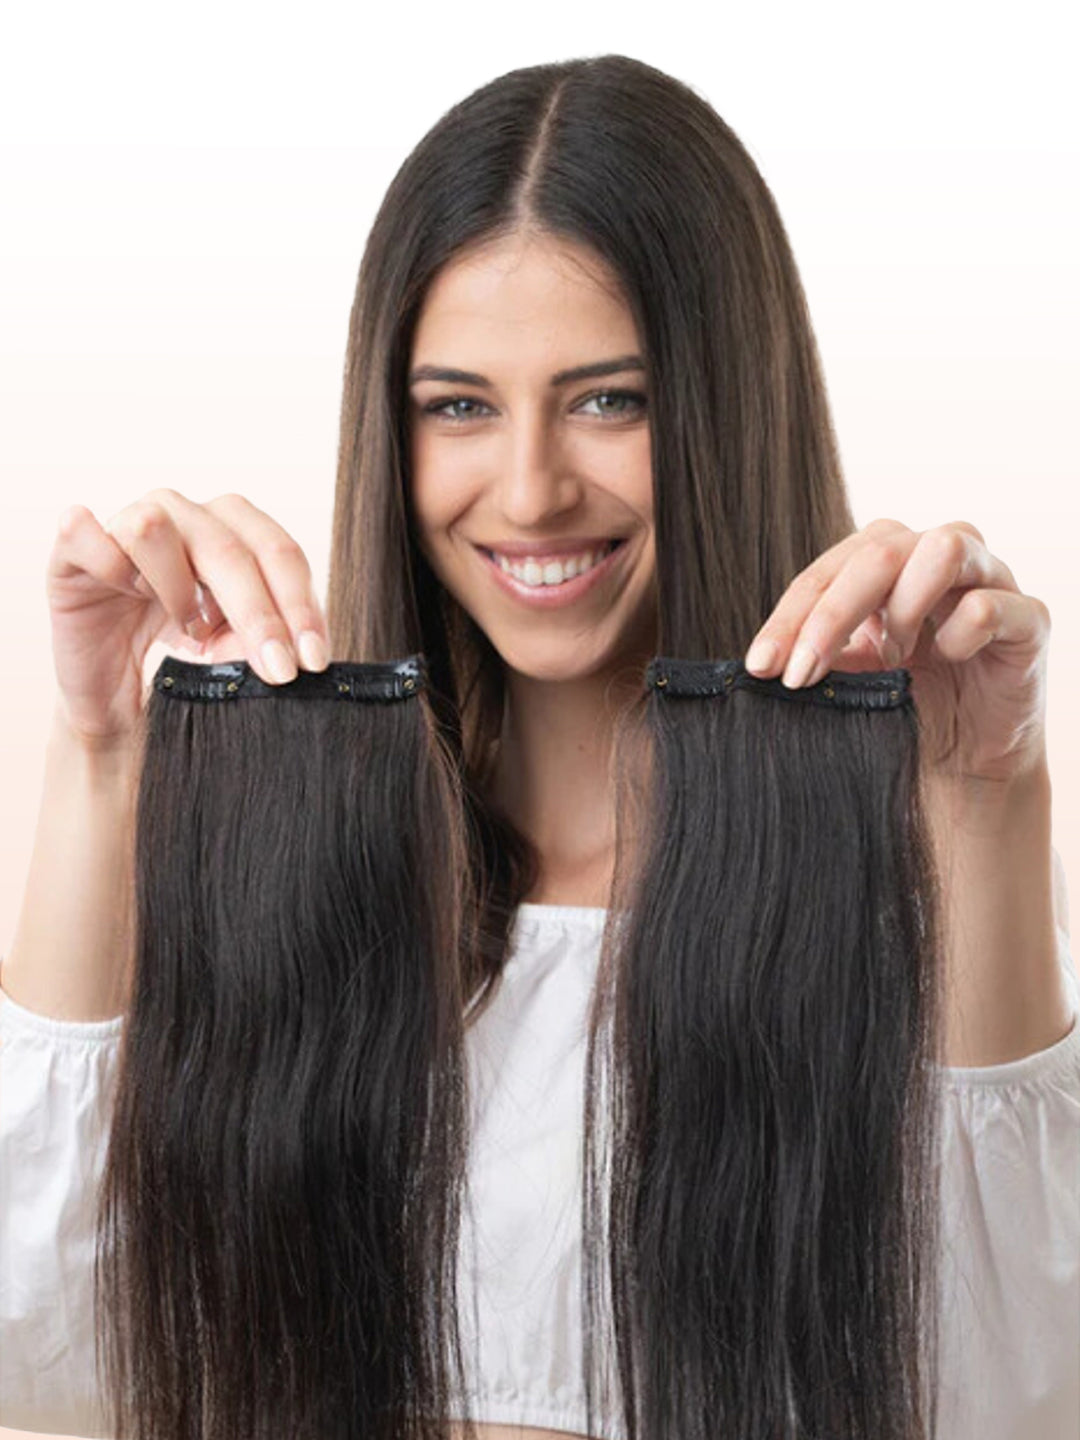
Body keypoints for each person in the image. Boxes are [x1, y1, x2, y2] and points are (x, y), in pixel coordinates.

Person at [2, 52, 1078, 1440]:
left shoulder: (891, 881)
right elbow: (42, 1354)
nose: (528, 492)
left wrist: (991, 795)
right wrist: (97, 749)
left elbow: (1016, 1388)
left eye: (608, 399)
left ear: (726, 405)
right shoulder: (279, 861)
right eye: (459, 405)